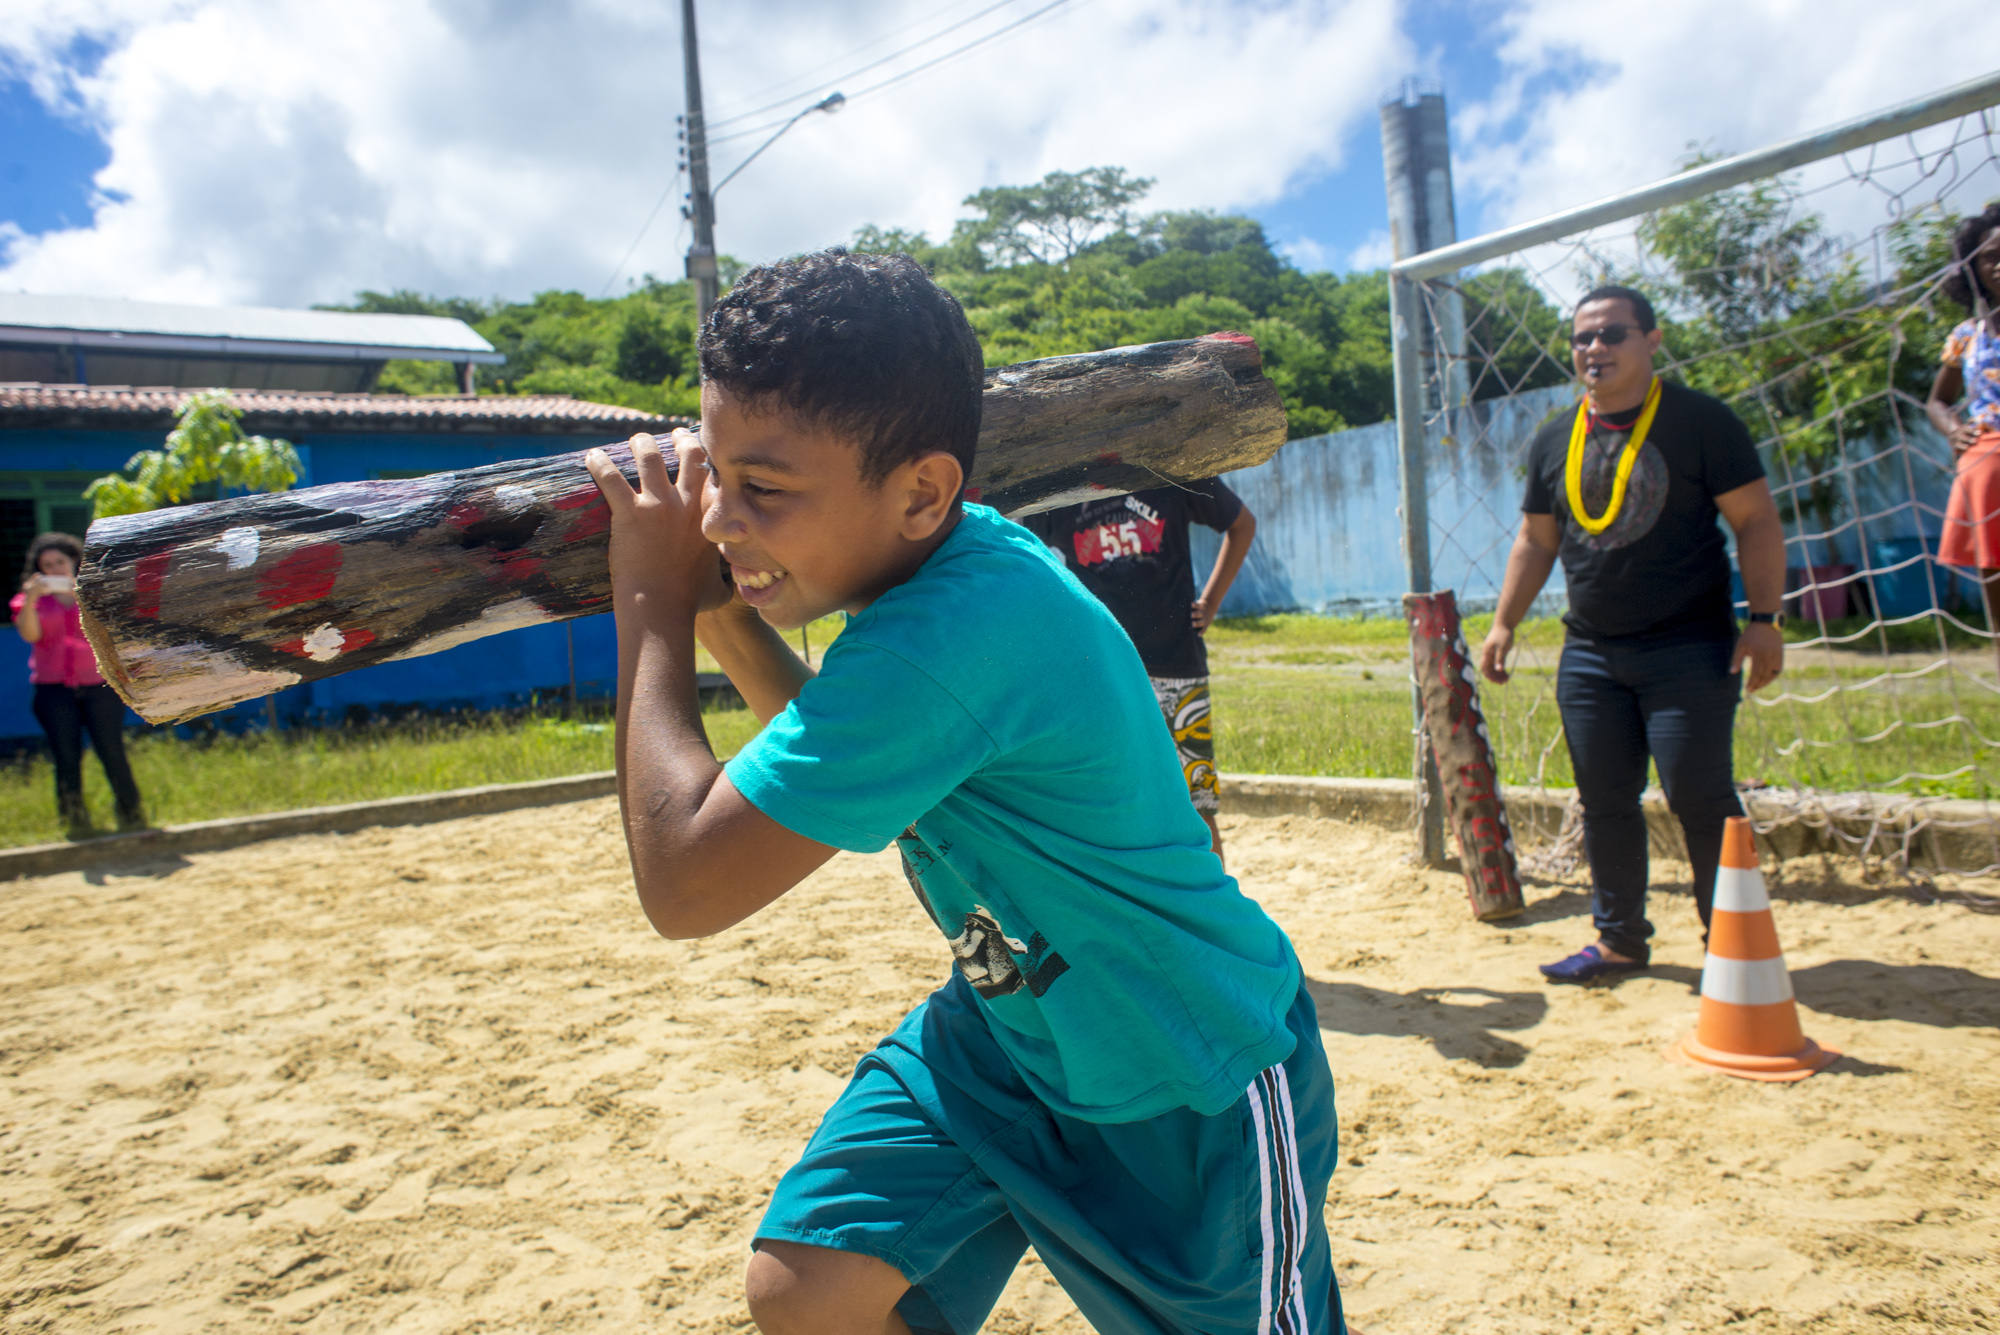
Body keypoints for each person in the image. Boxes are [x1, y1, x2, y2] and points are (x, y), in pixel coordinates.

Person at [582, 250, 1344, 1334]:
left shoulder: (953, 634)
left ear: (923, 491)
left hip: (1182, 1071)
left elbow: (686, 882)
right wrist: (720, 613)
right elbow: (869, 772)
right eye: (717, 475)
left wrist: (652, 599)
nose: (716, 520)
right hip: (1009, 1033)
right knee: (811, 1289)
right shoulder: (943, 571)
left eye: (763, 491)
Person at [1477, 285, 1786, 984]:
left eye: (1613, 334)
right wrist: (1503, 623)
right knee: (1604, 799)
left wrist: (1765, 622)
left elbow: (1757, 521)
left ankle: (1730, 946)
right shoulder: (1556, 435)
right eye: (1583, 337)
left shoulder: (1702, 421)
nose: (1595, 348)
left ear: (1653, 340)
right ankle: (1619, 941)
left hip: (1690, 645)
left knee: (1699, 793)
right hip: (1590, 651)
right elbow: (1536, 537)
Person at [1021, 483, 1257, 862]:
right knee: (1109, 807)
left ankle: (1210, 917)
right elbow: (1021, 559)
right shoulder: (1062, 485)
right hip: (1104, 676)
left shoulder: (1169, 470)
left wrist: (1211, 601)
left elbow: (1243, 524)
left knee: (1197, 806)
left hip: (1177, 669)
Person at [10, 532, 147, 839]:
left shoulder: (94, 592)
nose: (55, 568)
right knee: (66, 756)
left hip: (98, 686)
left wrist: (83, 594)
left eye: (60, 561)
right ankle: (74, 818)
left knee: (112, 750)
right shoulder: (30, 601)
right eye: (47, 565)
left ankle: (132, 813)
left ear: (73, 559)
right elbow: (30, 636)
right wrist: (32, 597)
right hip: (54, 690)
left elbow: (115, 630)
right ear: (39, 570)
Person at [1928, 201, 2000, 676]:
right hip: (1987, 465)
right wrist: (1955, 429)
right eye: (1989, 255)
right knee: (1994, 570)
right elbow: (1937, 400)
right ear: (1972, 267)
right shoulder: (1966, 337)